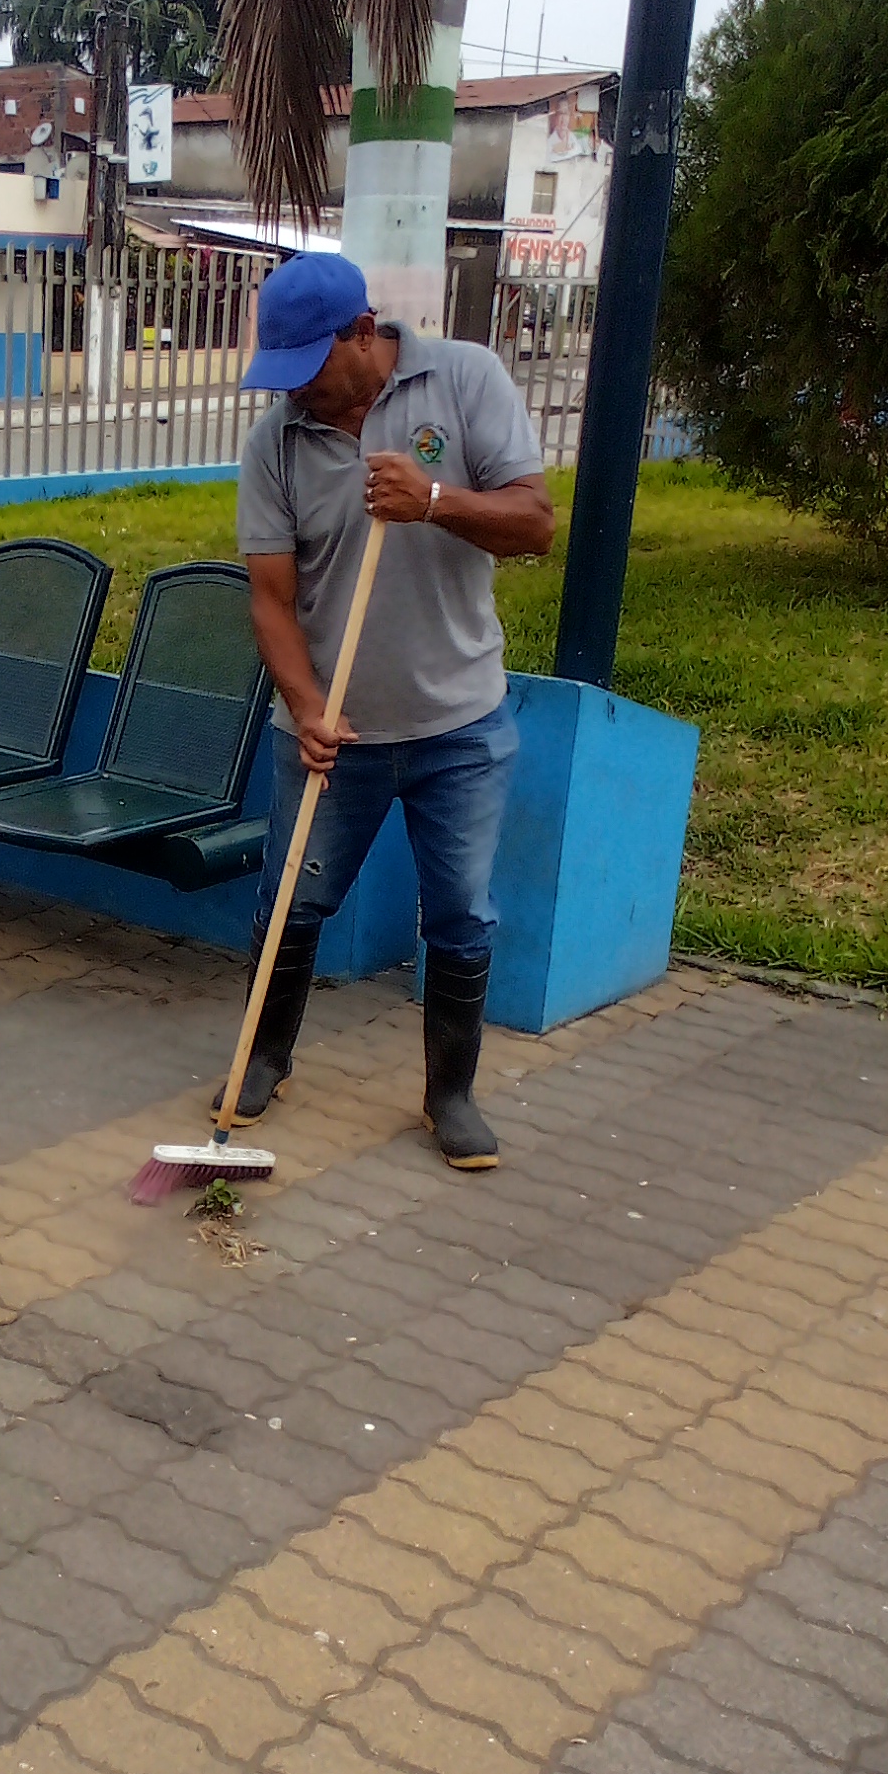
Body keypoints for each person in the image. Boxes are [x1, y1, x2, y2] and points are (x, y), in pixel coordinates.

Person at [231, 251, 554, 1170]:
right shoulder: (277, 443)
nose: (296, 390)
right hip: (337, 734)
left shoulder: (464, 378)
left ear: (363, 334)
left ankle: (451, 1095)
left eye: (310, 368)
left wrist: (435, 499)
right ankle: (263, 1061)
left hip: (461, 724)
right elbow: (270, 599)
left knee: (460, 912)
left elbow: (535, 524)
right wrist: (306, 708)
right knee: (293, 901)